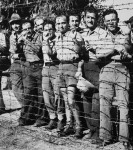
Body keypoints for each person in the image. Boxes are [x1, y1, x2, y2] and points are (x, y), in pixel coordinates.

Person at [98, 9, 132, 148]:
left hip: (122, 68)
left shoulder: (126, 34)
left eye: (113, 19)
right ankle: (106, 137)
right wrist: (115, 49)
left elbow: (129, 51)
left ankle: (124, 139)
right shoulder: (100, 35)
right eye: (108, 20)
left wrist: (126, 51)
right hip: (106, 68)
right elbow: (99, 54)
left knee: (124, 105)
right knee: (104, 104)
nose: (111, 22)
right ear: (104, 22)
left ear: (117, 20)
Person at [10, 18, 49, 126]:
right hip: (28, 66)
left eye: (29, 28)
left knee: (41, 94)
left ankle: (42, 119)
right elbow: (17, 52)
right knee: (28, 93)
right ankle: (26, 117)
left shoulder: (39, 36)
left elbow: (38, 50)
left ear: (33, 28)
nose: (28, 31)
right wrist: (18, 43)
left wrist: (26, 41)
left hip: (39, 65)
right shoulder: (23, 37)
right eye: (25, 29)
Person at [52, 15, 85, 138]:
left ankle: (79, 126)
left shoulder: (75, 35)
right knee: (65, 100)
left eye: (63, 23)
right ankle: (69, 124)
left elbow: (80, 51)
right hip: (61, 67)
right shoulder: (57, 37)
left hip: (72, 66)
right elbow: (55, 53)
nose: (61, 25)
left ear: (67, 24)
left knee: (71, 100)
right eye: (58, 23)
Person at [81, 6, 107, 141]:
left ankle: (97, 132)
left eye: (93, 18)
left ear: (97, 19)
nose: (90, 20)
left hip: (98, 66)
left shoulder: (102, 33)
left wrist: (94, 48)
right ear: (84, 19)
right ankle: (91, 129)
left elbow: (106, 51)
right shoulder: (82, 34)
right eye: (88, 17)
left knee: (97, 98)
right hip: (85, 66)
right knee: (86, 98)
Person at [42, 20, 65, 130]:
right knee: (47, 94)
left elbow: (51, 53)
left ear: (54, 29)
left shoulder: (58, 39)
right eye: (46, 30)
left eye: (50, 29)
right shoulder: (43, 40)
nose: (48, 32)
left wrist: (46, 41)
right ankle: (52, 118)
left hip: (56, 66)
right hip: (46, 67)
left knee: (58, 94)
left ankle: (61, 118)